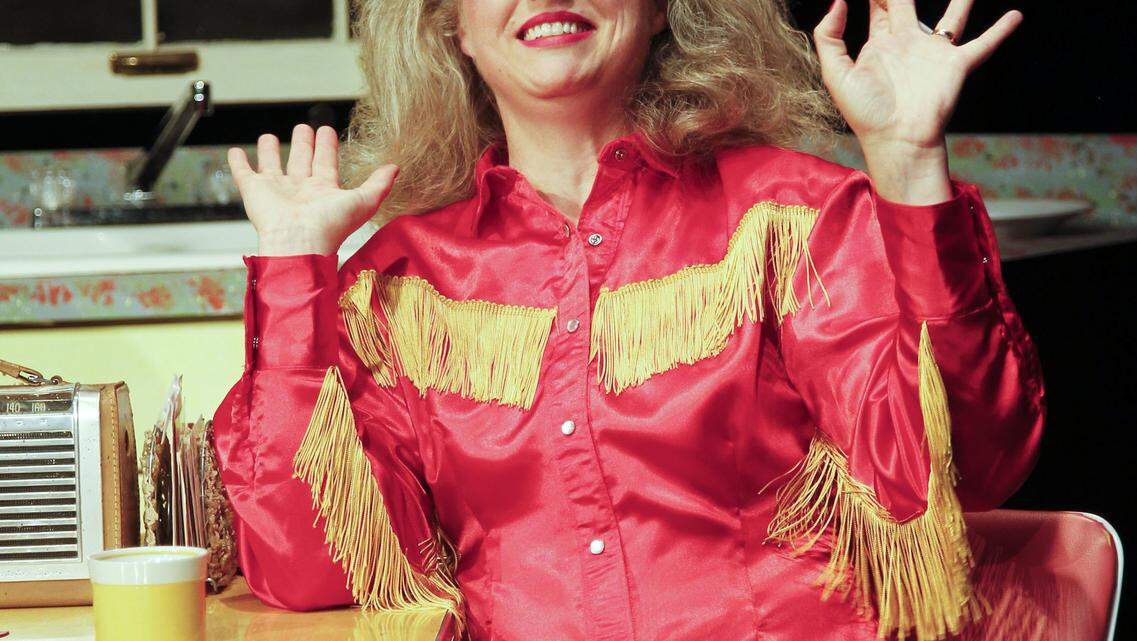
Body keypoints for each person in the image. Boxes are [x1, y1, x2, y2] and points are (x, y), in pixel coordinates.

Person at [212, 0, 1044, 640]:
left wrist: (907, 163)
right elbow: (310, 567)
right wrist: (293, 271)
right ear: (449, 26)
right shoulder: (394, 288)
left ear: (658, 9)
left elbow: (961, 468)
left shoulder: (792, 218)